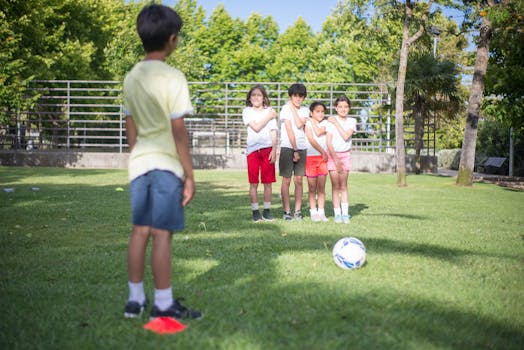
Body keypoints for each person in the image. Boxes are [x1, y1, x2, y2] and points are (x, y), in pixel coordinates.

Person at [122, 4, 201, 320]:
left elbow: (130, 126)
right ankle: (163, 304)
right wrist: (190, 175)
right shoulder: (173, 76)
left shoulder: (131, 77)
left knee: (140, 230)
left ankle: (135, 300)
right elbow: (178, 130)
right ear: (172, 39)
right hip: (167, 165)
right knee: (162, 233)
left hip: (140, 163)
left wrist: (136, 156)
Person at [242, 85, 278, 222]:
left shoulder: (270, 110)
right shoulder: (247, 111)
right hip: (252, 150)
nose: (256, 97)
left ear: (264, 98)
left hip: (267, 149)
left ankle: (267, 212)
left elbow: (273, 131)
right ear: (250, 98)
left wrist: (274, 149)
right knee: (253, 183)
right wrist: (268, 116)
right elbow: (256, 128)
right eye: (253, 95)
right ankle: (255, 212)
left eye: (259, 95)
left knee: (268, 182)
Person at [279, 83, 309, 221]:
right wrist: (294, 149)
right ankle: (287, 212)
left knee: (299, 180)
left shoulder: (305, 110)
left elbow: (298, 124)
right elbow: (290, 129)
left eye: (300, 96)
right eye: (295, 96)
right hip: (287, 147)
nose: (297, 98)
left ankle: (297, 212)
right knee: (286, 180)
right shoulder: (285, 109)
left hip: (302, 147)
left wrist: (293, 108)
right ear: (290, 96)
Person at [326, 95, 357, 224]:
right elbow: (328, 142)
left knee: (343, 186)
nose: (343, 109)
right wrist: (335, 159)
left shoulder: (351, 121)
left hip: (345, 155)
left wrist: (336, 122)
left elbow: (345, 136)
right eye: (340, 107)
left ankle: (345, 214)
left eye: (345, 107)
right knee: (335, 186)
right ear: (336, 108)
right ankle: (337, 214)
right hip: (333, 155)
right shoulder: (330, 122)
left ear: (349, 108)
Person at [305, 102, 329, 222]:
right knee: (311, 188)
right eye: (317, 111)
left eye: (322, 111)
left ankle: (321, 211)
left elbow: (319, 132)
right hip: (310, 158)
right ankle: (313, 212)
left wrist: (312, 121)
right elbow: (311, 139)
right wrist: (322, 151)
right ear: (311, 112)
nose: (320, 114)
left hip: (322, 159)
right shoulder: (307, 123)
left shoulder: (325, 123)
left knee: (321, 188)